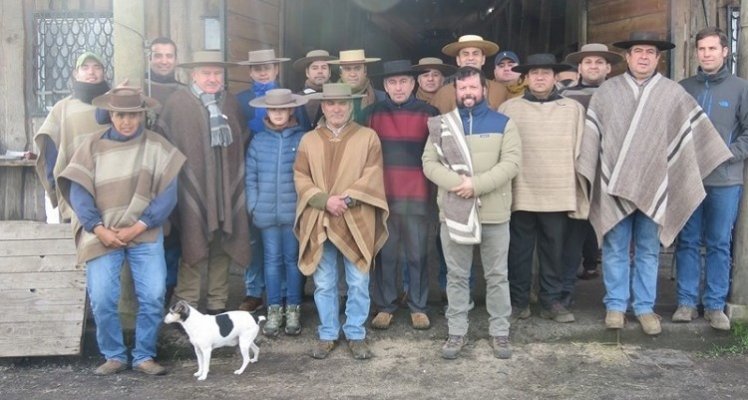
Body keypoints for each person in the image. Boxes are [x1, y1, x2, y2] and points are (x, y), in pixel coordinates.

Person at [577, 31, 732, 336]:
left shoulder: (672, 93)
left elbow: (694, 139)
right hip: (613, 187)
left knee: (649, 250)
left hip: (655, 184)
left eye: (650, 52)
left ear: (658, 58)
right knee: (615, 248)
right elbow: (593, 139)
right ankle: (616, 307)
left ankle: (645, 308)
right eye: (638, 51)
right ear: (627, 56)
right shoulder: (607, 92)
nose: (644, 56)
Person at [57, 87, 185, 376]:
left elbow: (168, 196)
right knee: (102, 297)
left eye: (132, 115)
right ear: (110, 115)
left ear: (141, 115)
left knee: (153, 295)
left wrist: (138, 226)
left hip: (145, 231)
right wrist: (98, 228)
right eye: (119, 115)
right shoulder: (91, 147)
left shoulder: (157, 147)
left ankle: (144, 355)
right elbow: (79, 193)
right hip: (102, 232)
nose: (126, 121)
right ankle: (114, 354)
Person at [423, 66, 521, 360]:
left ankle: (500, 332)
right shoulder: (441, 125)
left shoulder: (504, 123)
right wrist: (458, 186)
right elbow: (429, 163)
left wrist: (475, 185)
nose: (468, 93)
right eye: (463, 88)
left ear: (483, 90)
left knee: (497, 275)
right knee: (456, 275)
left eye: (473, 88)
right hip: (455, 211)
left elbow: (512, 164)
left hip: (493, 212)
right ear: (456, 91)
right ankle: (457, 331)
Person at [294, 83, 389, 360]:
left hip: (356, 218)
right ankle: (327, 333)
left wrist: (345, 200)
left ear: (351, 106)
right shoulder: (308, 140)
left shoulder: (368, 137)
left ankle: (356, 333)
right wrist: (325, 201)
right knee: (324, 282)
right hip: (320, 218)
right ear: (323, 106)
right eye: (331, 103)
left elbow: (372, 175)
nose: (336, 108)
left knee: (358, 281)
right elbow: (301, 177)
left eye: (342, 103)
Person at [156, 51, 251, 314]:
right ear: (193, 75)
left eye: (217, 73)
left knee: (222, 246)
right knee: (192, 242)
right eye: (206, 73)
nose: (212, 78)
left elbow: (240, 146)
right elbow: (165, 148)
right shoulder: (178, 103)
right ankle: (186, 305)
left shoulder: (230, 103)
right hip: (190, 189)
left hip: (225, 188)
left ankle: (217, 304)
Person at [499, 54, 588, 324]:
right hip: (521, 190)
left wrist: (578, 187)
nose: (540, 77)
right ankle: (519, 301)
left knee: (554, 250)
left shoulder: (572, 109)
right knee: (519, 251)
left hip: (557, 190)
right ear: (525, 78)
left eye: (546, 73)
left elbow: (581, 149)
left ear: (555, 77)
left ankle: (551, 301)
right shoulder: (509, 109)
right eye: (534, 73)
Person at [673, 27, 748, 331]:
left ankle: (715, 305)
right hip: (688, 178)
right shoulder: (682, 88)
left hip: (725, 179)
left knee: (718, 242)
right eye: (701, 49)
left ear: (725, 52)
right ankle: (687, 302)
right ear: (696, 53)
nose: (706, 54)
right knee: (687, 241)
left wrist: (727, 153)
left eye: (712, 49)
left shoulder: (740, 88)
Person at [360, 60, 439, 331]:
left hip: (417, 195)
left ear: (414, 84)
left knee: (418, 254)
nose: (398, 87)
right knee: (386, 255)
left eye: (404, 81)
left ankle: (418, 306)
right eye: (392, 82)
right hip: (384, 196)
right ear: (384, 86)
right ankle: (385, 305)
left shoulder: (431, 114)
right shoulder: (371, 114)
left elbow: (438, 157)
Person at [236, 49, 310, 313]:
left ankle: (293, 303)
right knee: (267, 256)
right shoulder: (242, 102)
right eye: (257, 69)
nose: (263, 72)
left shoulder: (299, 133)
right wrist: (253, 204)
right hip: (264, 199)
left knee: (291, 257)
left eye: (267, 67)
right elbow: (250, 172)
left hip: (291, 203)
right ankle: (266, 300)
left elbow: (307, 168)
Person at [558, 43, 623, 305]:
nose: (593, 66)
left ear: (608, 67)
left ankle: (618, 300)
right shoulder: (564, 97)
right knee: (571, 237)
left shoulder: (621, 95)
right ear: (579, 67)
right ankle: (563, 293)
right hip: (575, 174)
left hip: (611, 174)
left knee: (615, 238)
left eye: (599, 62)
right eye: (588, 62)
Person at [246, 89, 309, 336]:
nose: (278, 114)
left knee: (292, 262)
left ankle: (293, 308)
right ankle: (274, 308)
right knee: (271, 261)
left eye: (283, 109)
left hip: (293, 212)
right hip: (266, 214)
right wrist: (253, 204)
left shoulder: (303, 139)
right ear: (267, 111)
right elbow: (250, 177)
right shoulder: (258, 141)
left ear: (291, 110)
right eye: (273, 110)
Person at [34, 51, 110, 220]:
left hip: (111, 187)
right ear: (76, 74)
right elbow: (50, 151)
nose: (91, 72)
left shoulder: (114, 105)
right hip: (75, 189)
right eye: (85, 67)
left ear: (104, 72)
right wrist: (56, 188)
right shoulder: (63, 108)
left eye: (97, 67)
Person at [429, 34, 508, 113]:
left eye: (475, 54)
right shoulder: (444, 93)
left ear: (483, 59)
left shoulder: (500, 91)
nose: (470, 58)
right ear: (458, 60)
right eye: (465, 54)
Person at [327, 49, 384, 120]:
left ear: (365, 71)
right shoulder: (328, 99)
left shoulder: (382, 99)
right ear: (340, 72)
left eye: (357, 68)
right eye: (347, 69)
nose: (353, 74)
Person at [293, 49, 336, 124]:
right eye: (315, 68)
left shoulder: (339, 97)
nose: (320, 71)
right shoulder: (297, 100)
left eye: (324, 67)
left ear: (330, 72)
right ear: (307, 72)